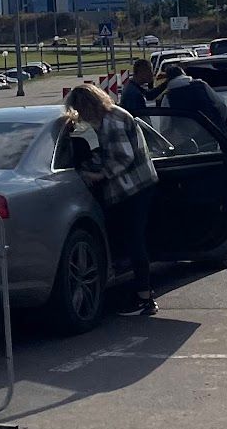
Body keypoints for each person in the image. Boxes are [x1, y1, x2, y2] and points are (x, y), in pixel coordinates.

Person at [65, 83, 160, 316]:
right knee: (132, 238)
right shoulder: (111, 117)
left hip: (134, 187)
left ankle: (144, 298)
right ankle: (141, 292)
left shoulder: (112, 121)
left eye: (80, 110)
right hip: (138, 184)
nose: (81, 117)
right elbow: (111, 152)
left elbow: (122, 157)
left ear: (87, 106)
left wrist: (98, 174)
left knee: (134, 240)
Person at [158, 59, 227, 131]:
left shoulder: (168, 97)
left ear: (168, 80)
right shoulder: (201, 85)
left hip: (188, 139)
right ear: (183, 74)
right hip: (214, 132)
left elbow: (165, 126)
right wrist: (219, 123)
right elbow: (221, 104)